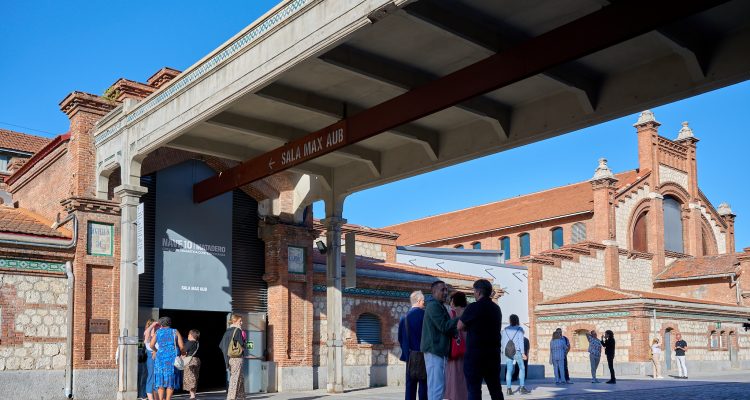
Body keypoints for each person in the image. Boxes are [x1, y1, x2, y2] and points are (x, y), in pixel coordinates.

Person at [458, 279, 504, 400]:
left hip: (475, 356)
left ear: (478, 292)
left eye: (474, 291)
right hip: (493, 355)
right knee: (495, 390)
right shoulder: (496, 309)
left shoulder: (473, 307)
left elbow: (460, 326)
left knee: (474, 391)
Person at [421, 280, 458, 400]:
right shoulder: (433, 306)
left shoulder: (439, 306)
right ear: (434, 292)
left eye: (446, 290)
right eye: (443, 290)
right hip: (434, 351)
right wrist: (460, 318)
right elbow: (444, 326)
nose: (446, 292)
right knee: (436, 388)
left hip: (438, 351)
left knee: (439, 388)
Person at [398, 290, 427, 400]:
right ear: (419, 301)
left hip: (410, 356)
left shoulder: (404, 317)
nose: (424, 303)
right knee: (424, 385)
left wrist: (406, 352)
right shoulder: (425, 315)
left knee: (410, 387)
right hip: (424, 356)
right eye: (423, 301)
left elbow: (400, 338)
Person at [150, 316, 184, 400]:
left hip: (160, 358)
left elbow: (151, 345)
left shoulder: (158, 332)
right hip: (171, 358)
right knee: (170, 380)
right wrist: (183, 353)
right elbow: (182, 346)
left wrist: (156, 351)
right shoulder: (175, 331)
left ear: (161, 324)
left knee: (160, 380)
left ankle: (161, 398)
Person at [445, 292, 468, 400]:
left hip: (455, 349)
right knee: (465, 377)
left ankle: (454, 396)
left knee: (453, 376)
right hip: (467, 350)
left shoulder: (451, 313)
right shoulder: (468, 313)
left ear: (453, 302)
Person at [221, 314, 247, 400]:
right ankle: (231, 398)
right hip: (237, 358)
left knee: (240, 377)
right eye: (240, 321)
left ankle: (241, 396)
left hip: (230, 358)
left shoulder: (227, 331)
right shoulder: (237, 331)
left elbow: (221, 345)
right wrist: (244, 339)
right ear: (235, 321)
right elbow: (242, 345)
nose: (241, 323)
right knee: (235, 378)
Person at [502, 314, 529, 395]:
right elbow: (521, 342)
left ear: (510, 320)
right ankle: (522, 387)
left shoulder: (505, 329)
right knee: (522, 368)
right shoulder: (519, 329)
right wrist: (523, 353)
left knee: (509, 370)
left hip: (508, 352)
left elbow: (503, 342)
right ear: (517, 320)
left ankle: (509, 389)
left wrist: (504, 351)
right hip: (517, 351)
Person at [143, 319, 160, 400]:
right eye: (154, 326)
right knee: (151, 377)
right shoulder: (147, 334)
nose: (156, 327)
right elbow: (147, 332)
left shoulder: (157, 334)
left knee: (157, 377)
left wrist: (159, 325)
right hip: (151, 356)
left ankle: (156, 397)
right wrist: (152, 325)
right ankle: (150, 398)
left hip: (158, 356)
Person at [183, 329, 201, 399]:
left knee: (189, 377)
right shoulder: (197, 343)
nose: (188, 335)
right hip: (197, 360)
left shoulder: (189, 343)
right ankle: (193, 394)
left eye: (188, 334)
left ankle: (192, 395)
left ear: (191, 335)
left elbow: (184, 353)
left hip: (189, 360)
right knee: (195, 377)